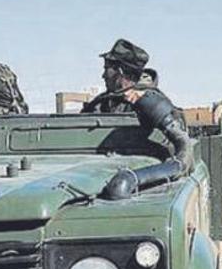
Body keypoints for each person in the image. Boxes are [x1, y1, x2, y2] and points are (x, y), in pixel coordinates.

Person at [83, 38, 193, 177]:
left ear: (120, 71)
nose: (103, 75)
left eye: (107, 69)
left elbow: (180, 143)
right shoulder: (101, 102)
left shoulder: (153, 103)